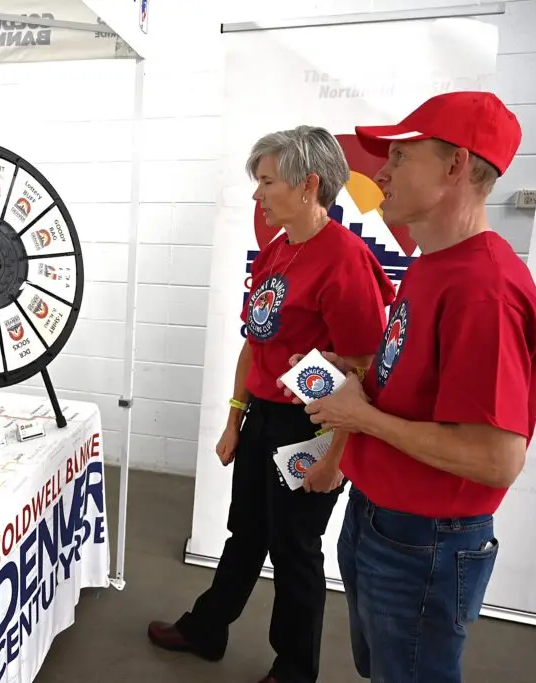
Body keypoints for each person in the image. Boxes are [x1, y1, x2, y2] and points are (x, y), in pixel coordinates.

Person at [286, 91, 536, 683]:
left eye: (402, 157)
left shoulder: (484, 290)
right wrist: (359, 380)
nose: (381, 171)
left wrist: (363, 418)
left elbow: (496, 457)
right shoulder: (435, 265)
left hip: (425, 540)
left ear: (457, 165)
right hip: (380, 515)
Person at [147, 125, 396, 683]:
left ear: (308, 185)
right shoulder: (278, 250)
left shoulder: (346, 261)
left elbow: (362, 375)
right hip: (263, 419)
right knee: (247, 533)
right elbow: (254, 343)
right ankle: (208, 627)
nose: (257, 195)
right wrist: (235, 419)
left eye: (266, 181)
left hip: (312, 426)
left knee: (295, 549)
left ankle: (294, 668)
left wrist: (334, 460)